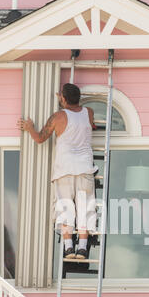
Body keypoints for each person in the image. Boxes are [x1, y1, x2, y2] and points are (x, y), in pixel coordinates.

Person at [17, 83, 98, 260]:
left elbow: (40, 138)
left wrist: (29, 127)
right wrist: (66, 100)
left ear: (63, 98)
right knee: (85, 207)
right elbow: (91, 125)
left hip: (65, 169)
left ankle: (69, 247)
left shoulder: (57, 117)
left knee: (65, 207)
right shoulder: (89, 112)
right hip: (85, 168)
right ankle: (83, 248)